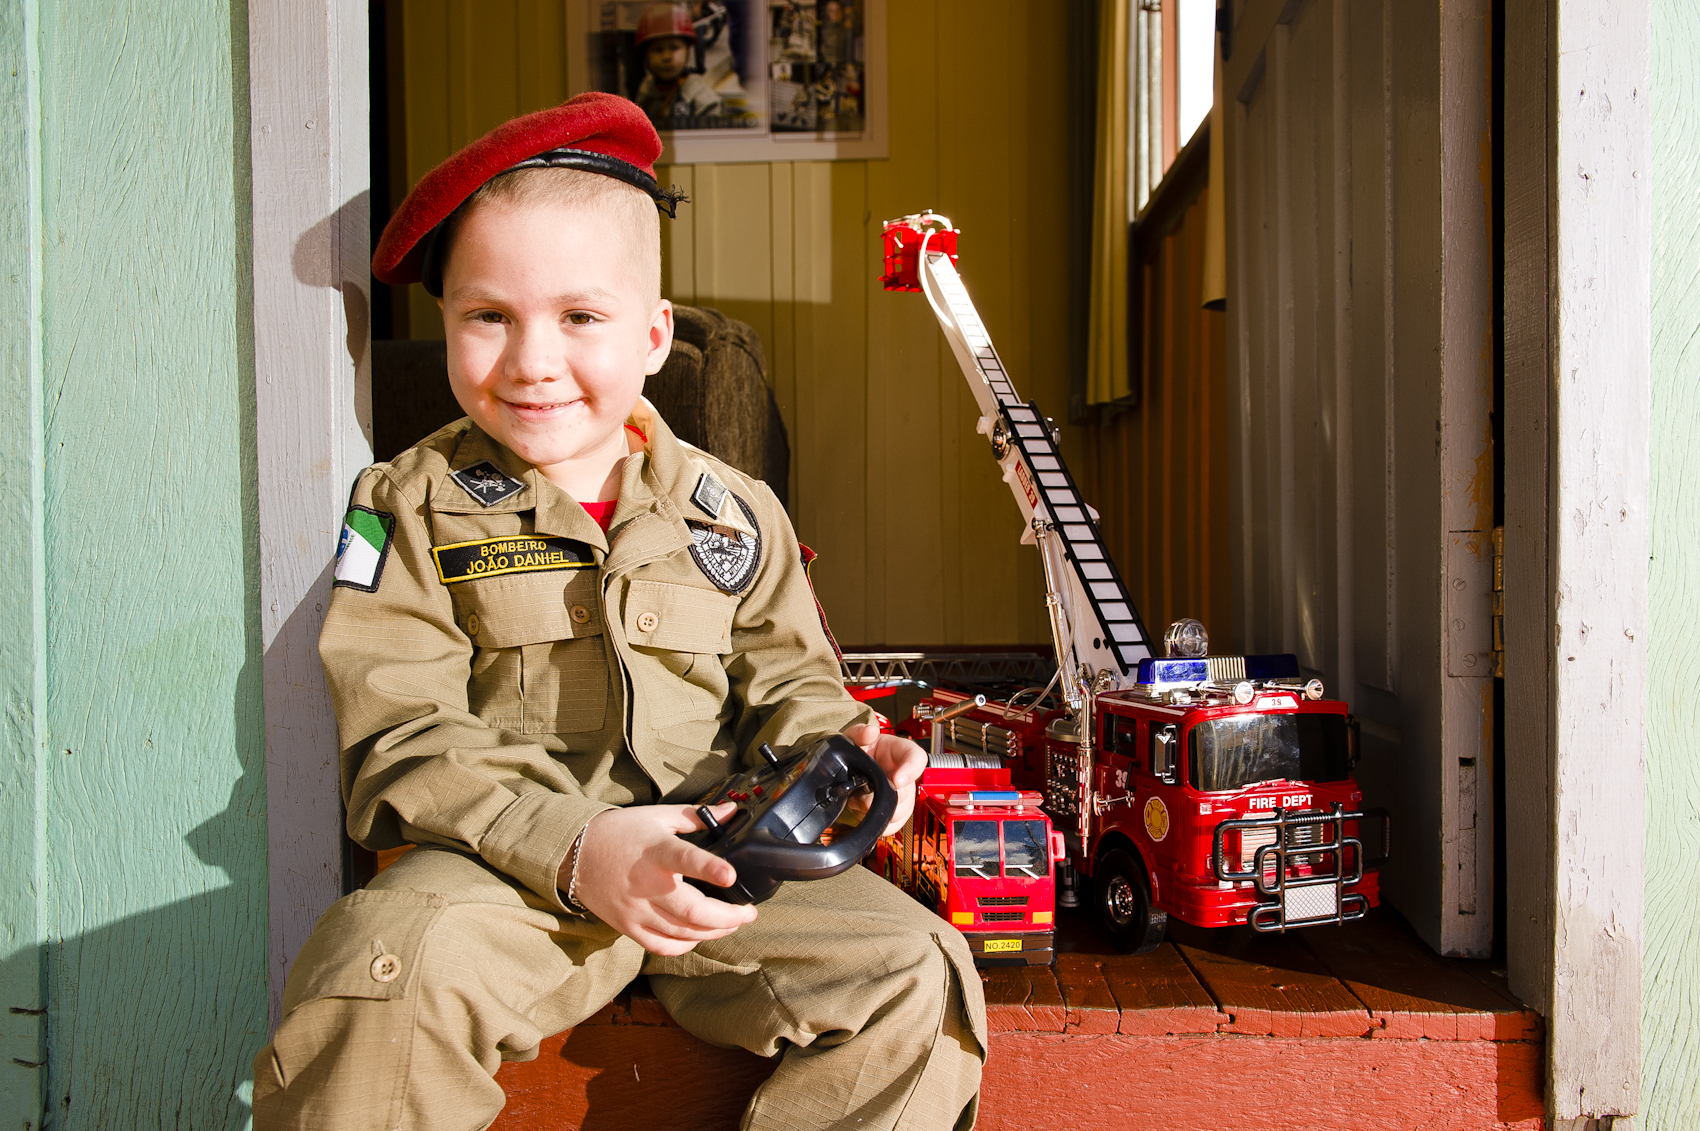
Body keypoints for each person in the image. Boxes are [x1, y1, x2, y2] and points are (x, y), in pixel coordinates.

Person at [250, 92, 986, 1131]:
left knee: (917, 969)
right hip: (508, 877)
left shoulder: (736, 512)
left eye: (579, 318)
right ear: (445, 321)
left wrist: (848, 751)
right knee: (382, 967)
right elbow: (400, 733)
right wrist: (578, 846)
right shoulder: (405, 506)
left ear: (652, 336)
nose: (530, 361)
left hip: (726, 866)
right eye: (487, 317)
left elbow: (791, 684)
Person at [632, 2, 724, 125]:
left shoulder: (703, 101)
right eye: (658, 50)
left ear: (687, 51)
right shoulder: (646, 92)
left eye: (674, 48)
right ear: (646, 56)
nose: (666, 57)